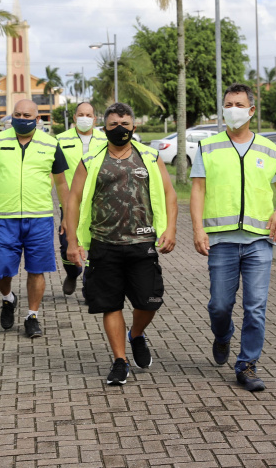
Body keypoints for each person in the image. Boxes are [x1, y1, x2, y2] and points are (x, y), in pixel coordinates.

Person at [65, 103, 177, 386]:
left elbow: (169, 194)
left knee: (149, 301)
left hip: (143, 243)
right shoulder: (90, 160)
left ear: (134, 128)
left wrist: (171, 229)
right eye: (113, 124)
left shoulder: (150, 157)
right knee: (110, 305)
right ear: (104, 128)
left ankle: (136, 334)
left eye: (125, 124)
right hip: (104, 244)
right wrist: (73, 241)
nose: (120, 129)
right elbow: (73, 199)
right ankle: (119, 360)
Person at [189, 83, 276, 393]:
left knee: (255, 306)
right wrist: (197, 229)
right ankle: (222, 336)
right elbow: (197, 190)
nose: (233, 109)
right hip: (222, 241)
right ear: (223, 109)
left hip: (259, 241)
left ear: (251, 110)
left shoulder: (269, 149)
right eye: (228, 103)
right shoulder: (209, 147)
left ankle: (247, 364)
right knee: (219, 305)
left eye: (239, 104)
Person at [0, 99, 69, 338]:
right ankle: (8, 298)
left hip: (40, 218)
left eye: (27, 114)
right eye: (17, 114)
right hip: (5, 218)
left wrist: (67, 215)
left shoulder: (50, 144)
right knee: (0, 270)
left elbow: (61, 183)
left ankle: (32, 316)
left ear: (37, 119)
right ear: (11, 116)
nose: (21, 118)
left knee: (37, 270)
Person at [55, 102, 107, 295]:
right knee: (67, 245)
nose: (85, 118)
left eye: (89, 114)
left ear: (95, 118)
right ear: (75, 118)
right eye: (81, 114)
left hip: (99, 203)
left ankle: (89, 285)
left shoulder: (105, 140)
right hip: (70, 204)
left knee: (95, 247)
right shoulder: (59, 141)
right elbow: (56, 176)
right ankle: (72, 272)